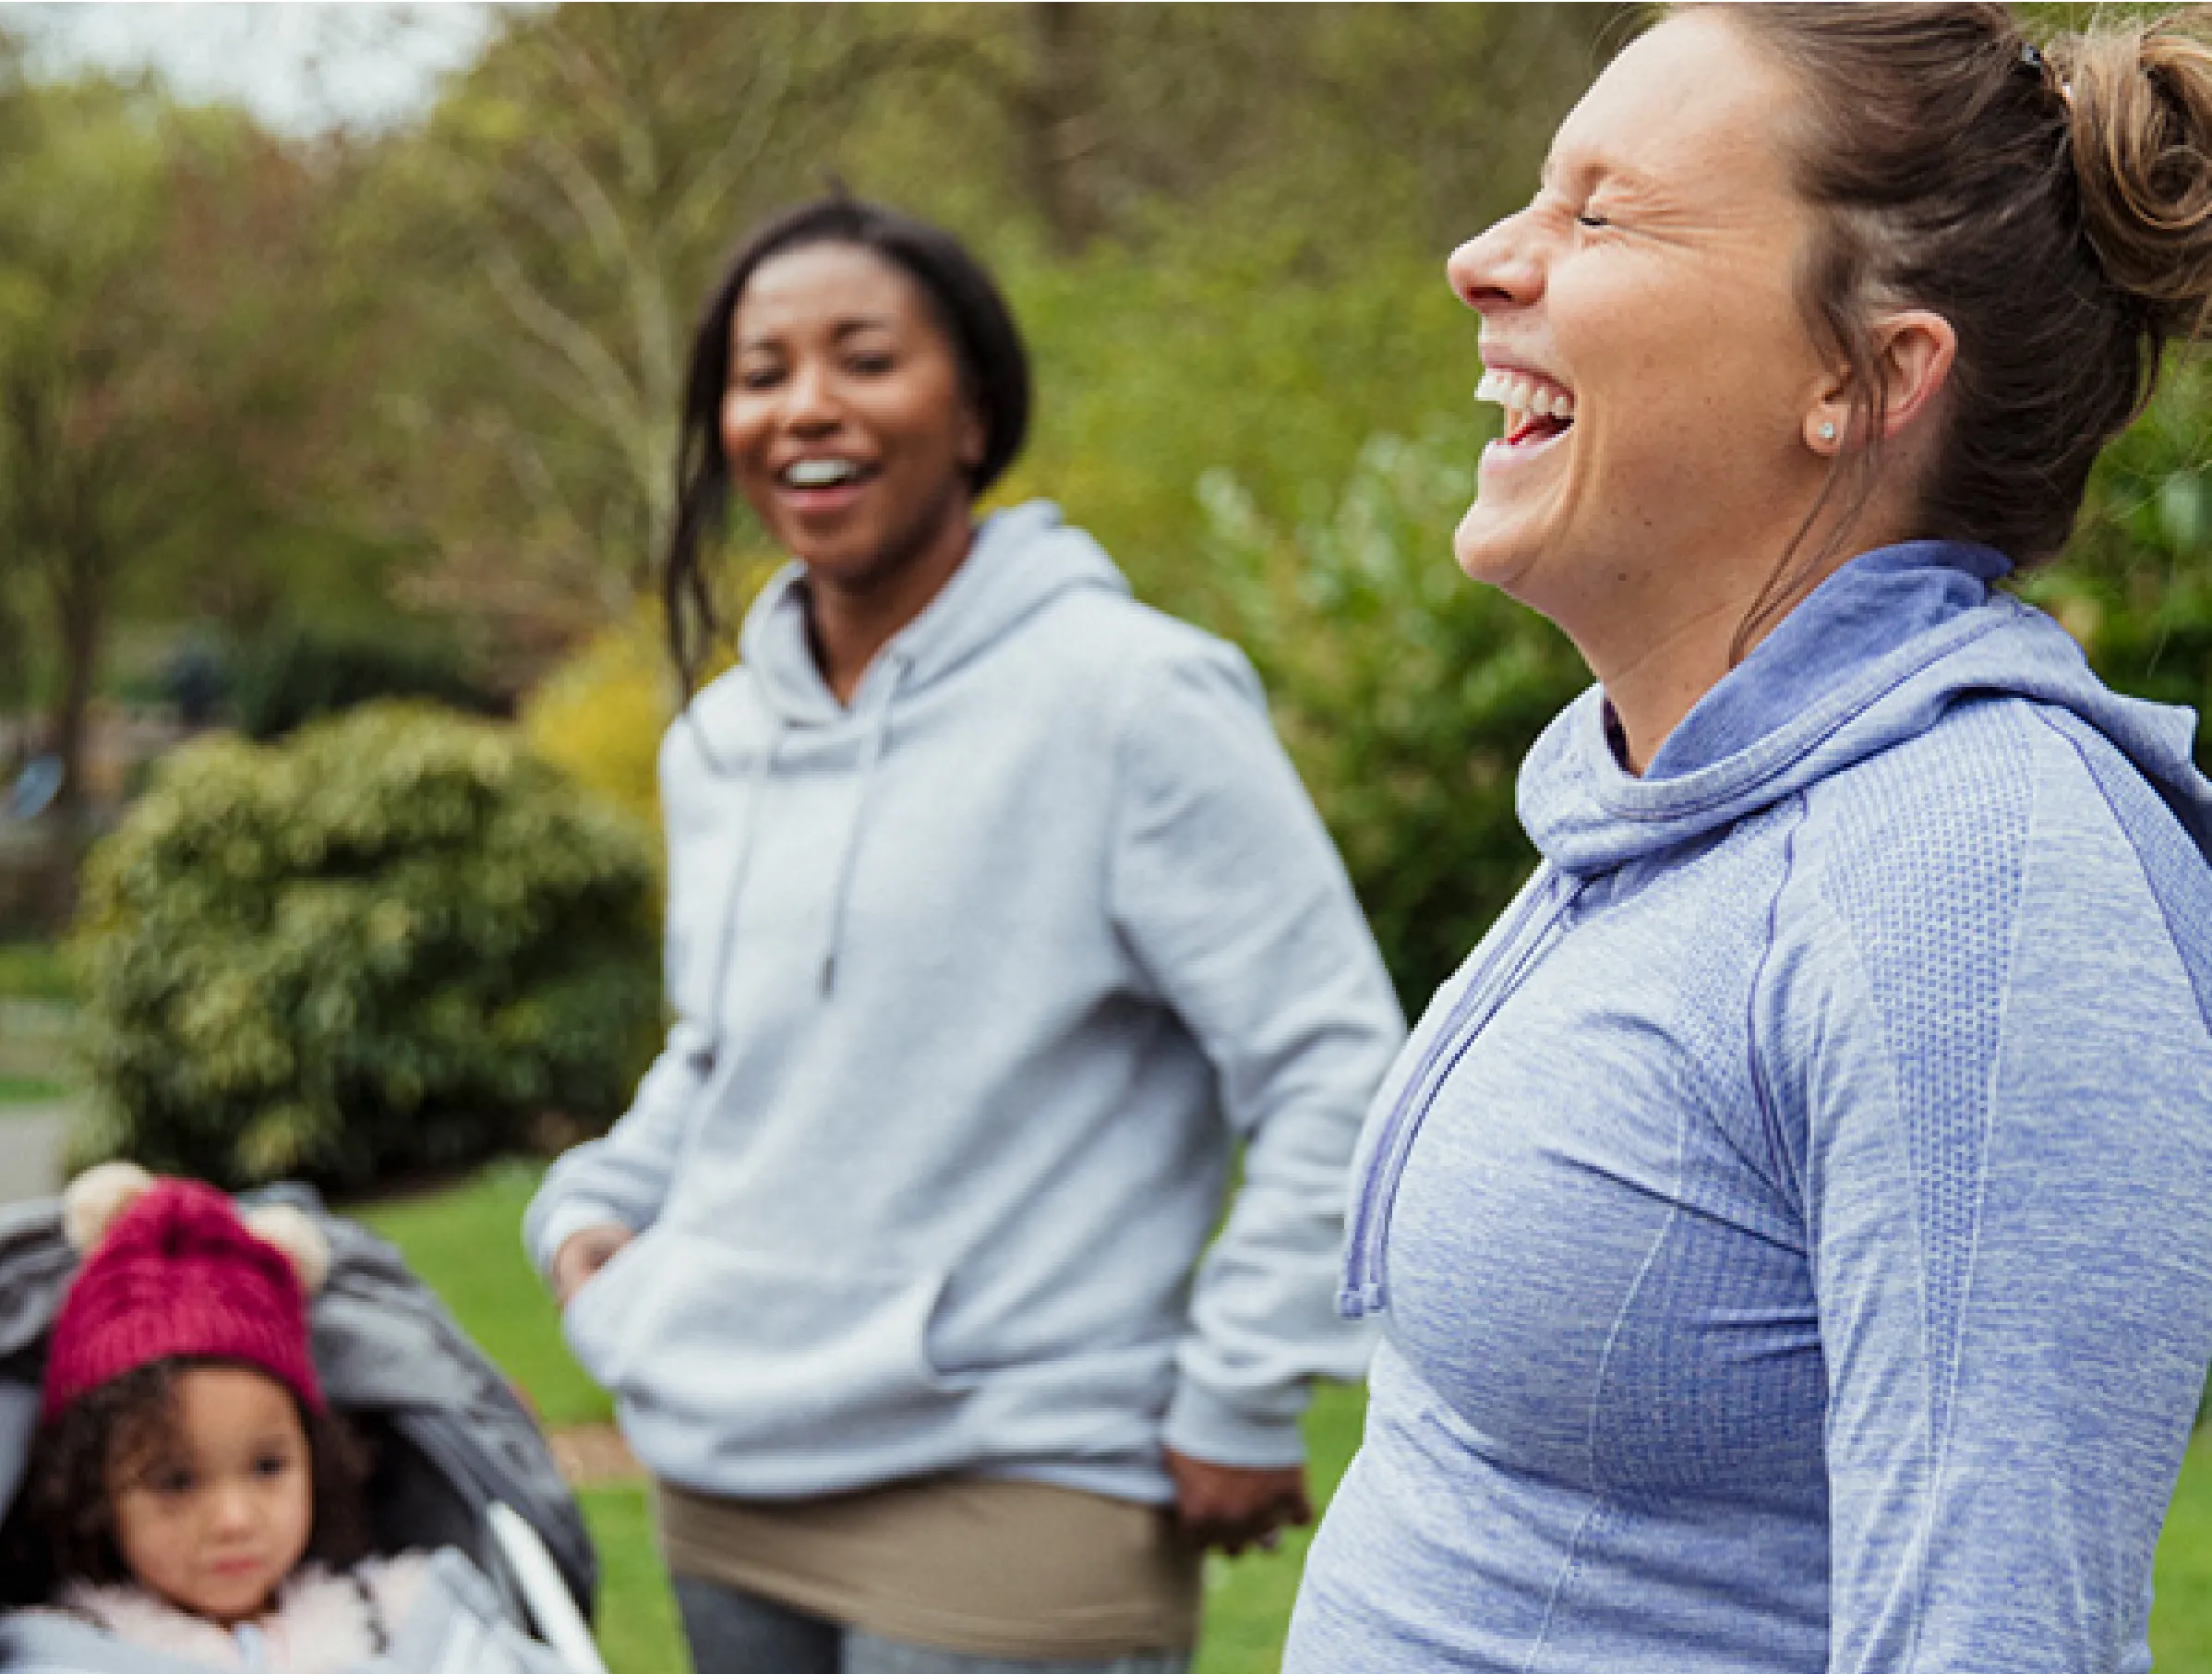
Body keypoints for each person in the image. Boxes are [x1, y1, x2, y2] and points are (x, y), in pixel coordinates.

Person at [1286, 6, 2212, 1671]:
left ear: (1864, 378)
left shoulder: (1969, 879)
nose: (1479, 261)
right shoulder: (1685, 806)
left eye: (1601, 211)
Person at [523, 197, 1405, 1674]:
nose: (806, 404)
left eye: (864, 358)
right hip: (726, 1465)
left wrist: (1243, 1385)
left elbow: (1332, 1064)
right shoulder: (721, 741)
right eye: (761, 371)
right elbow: (726, 1055)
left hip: (1026, 1476)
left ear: (975, 410)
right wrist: (590, 1222)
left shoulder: (1131, 698)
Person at [1, 1164, 568, 1673]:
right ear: (93, 1496)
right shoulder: (63, 1653)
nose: (234, 1518)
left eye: (268, 1466)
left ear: (315, 1457)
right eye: (175, 1481)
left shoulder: (404, 1615)